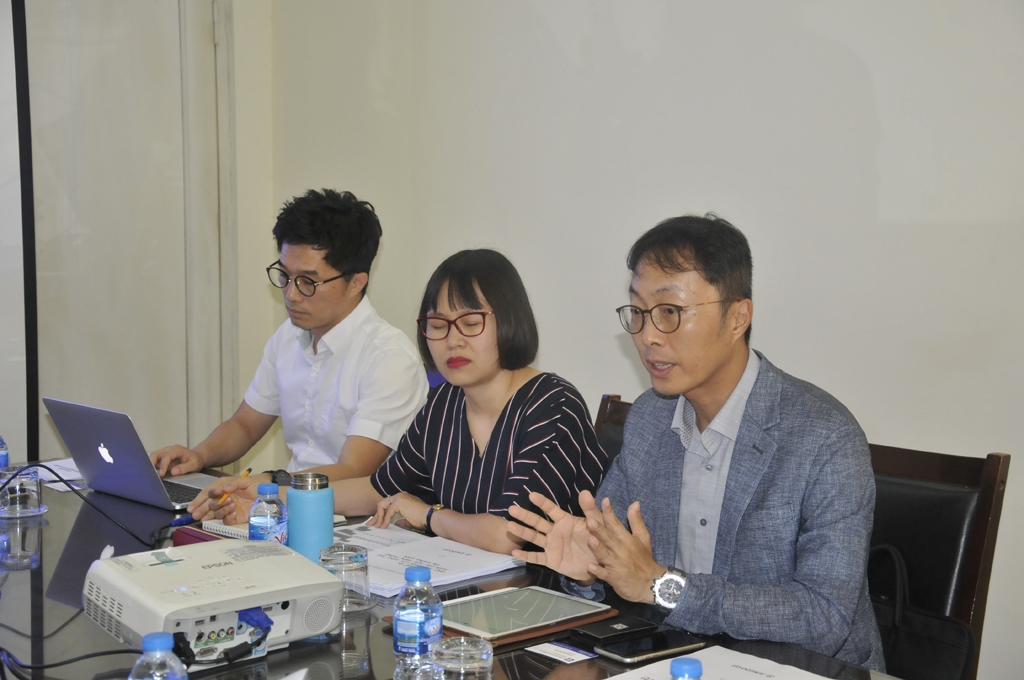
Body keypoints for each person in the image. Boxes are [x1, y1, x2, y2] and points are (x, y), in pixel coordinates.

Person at [506, 215, 885, 670]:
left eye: (670, 312)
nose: (648, 336)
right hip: (679, 660)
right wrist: (589, 566)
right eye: (639, 312)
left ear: (738, 317)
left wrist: (664, 587)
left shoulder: (825, 437)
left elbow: (825, 617)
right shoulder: (650, 418)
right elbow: (617, 560)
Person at [195, 249, 608, 554]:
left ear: (511, 321)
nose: (452, 340)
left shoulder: (552, 406)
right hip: (473, 588)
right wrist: (273, 497)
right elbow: (378, 489)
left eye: (470, 323)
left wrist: (427, 515)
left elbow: (508, 534)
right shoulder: (445, 403)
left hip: (553, 601)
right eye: (437, 325)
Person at [152, 189, 428, 488]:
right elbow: (245, 425)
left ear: (356, 283)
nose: (291, 294)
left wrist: (269, 483)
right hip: (289, 499)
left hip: (357, 510)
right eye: (284, 275)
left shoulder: (389, 358)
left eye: (308, 281)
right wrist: (199, 455)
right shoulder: (288, 336)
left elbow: (354, 470)